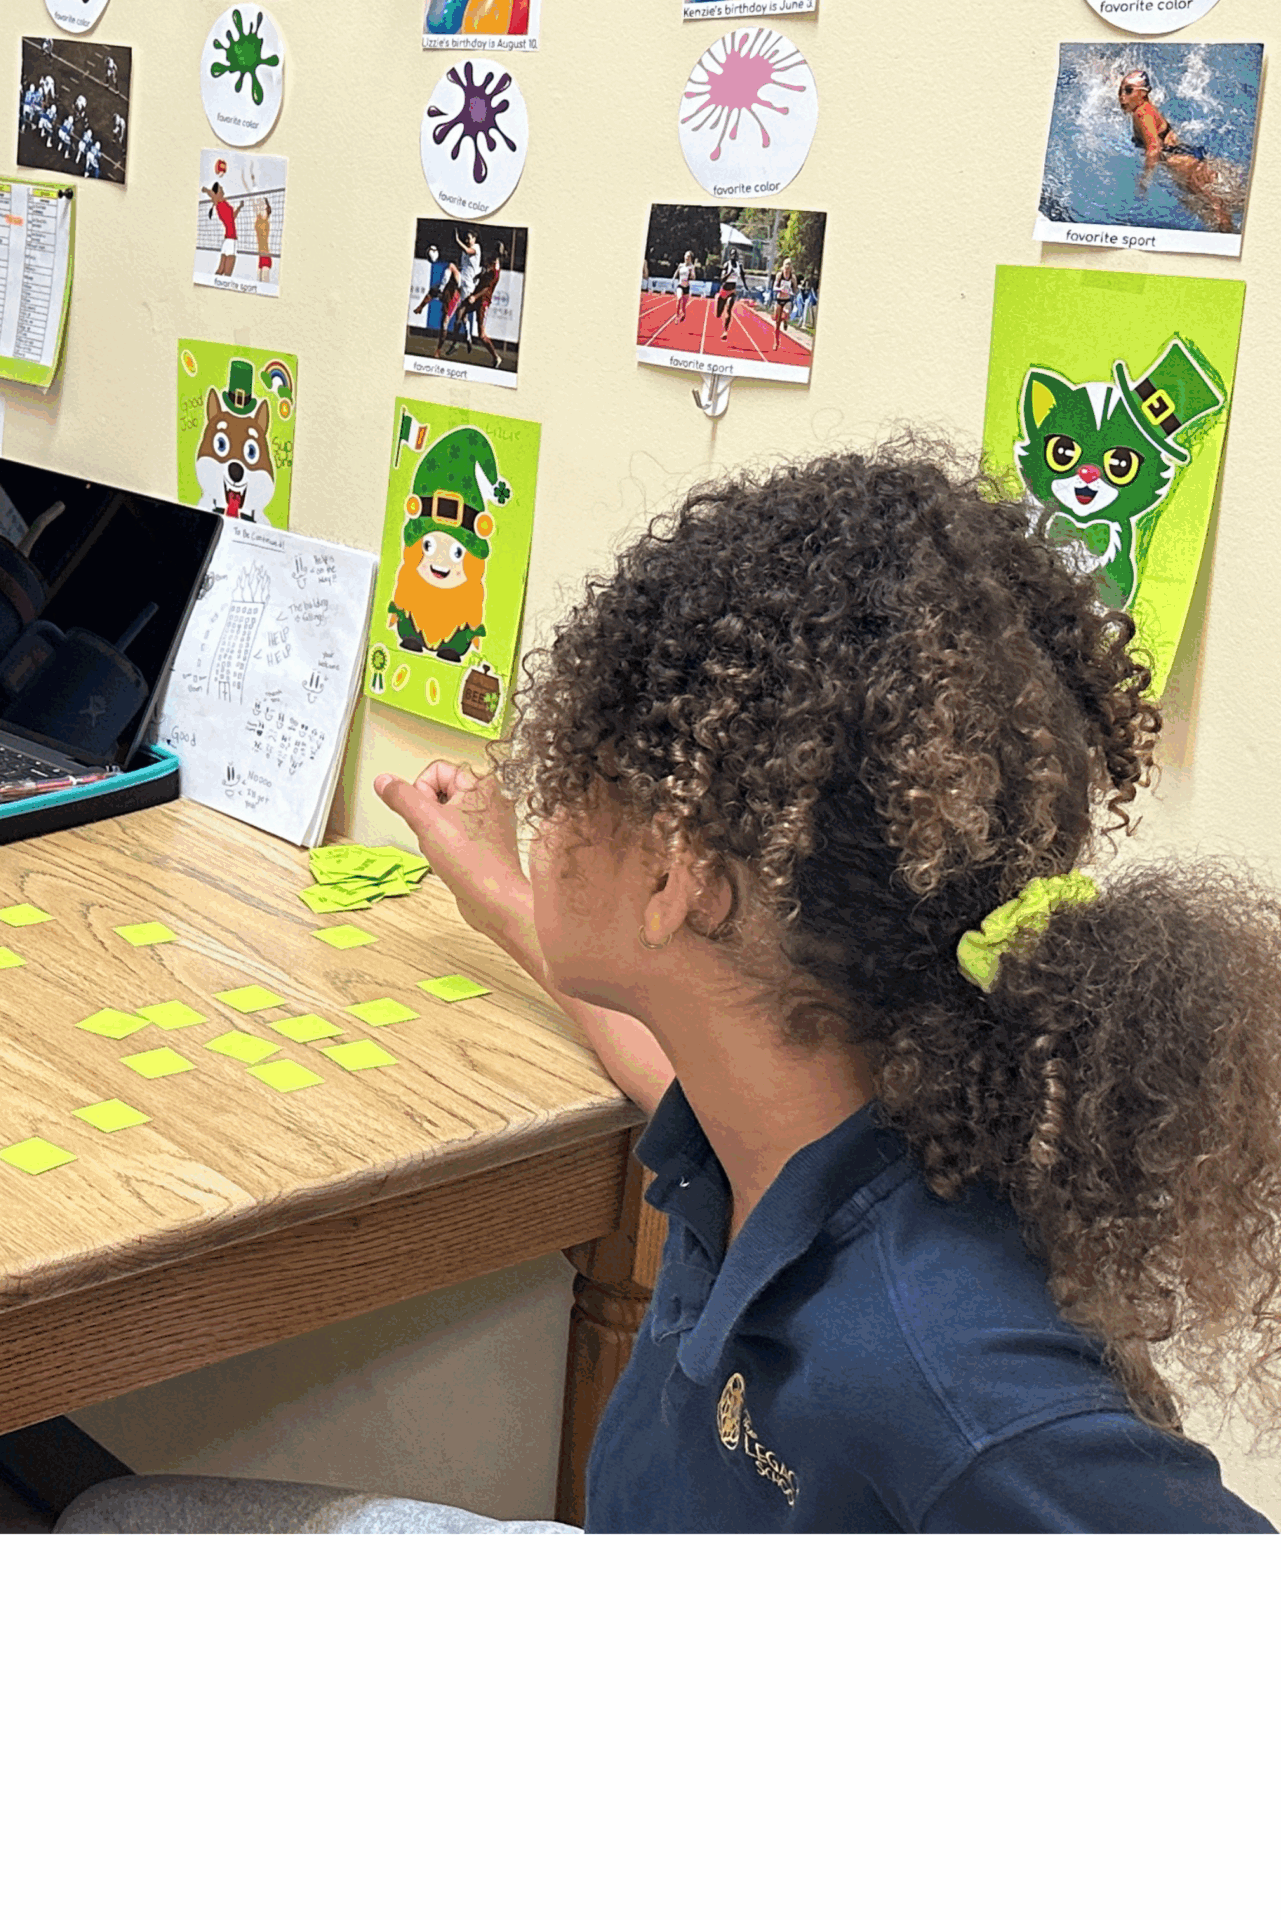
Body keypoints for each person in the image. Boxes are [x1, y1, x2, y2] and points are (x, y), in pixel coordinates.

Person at [372, 445, 1280, 1531]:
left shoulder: (952, 1388)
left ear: (674, 875)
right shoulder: (780, 1124)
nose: (538, 808)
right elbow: (662, 1061)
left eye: (571, 779)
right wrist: (493, 890)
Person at [1117, 66, 1239, 235]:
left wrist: (1144, 180)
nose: (1122, 96)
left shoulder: (1141, 113)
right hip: (1187, 157)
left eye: (1128, 90)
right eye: (1120, 90)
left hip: (1183, 166)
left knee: (1216, 213)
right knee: (1230, 199)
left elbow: (1154, 148)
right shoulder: (1145, 106)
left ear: (1143, 93)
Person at [203, 159, 239, 279]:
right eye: (221, 188)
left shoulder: (222, 204)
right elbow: (212, 194)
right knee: (227, 272)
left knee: (220, 269)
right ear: (217, 192)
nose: (223, 188)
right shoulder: (219, 202)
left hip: (227, 238)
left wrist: (239, 207)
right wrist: (206, 190)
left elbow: (232, 218)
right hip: (231, 238)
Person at [672, 247, 696, 321]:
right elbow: (677, 272)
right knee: (679, 299)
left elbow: (694, 277)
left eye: (688, 256)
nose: (686, 257)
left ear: (690, 258)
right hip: (680, 285)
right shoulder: (681, 265)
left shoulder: (691, 267)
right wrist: (673, 278)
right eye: (686, 255)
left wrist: (691, 274)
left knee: (683, 306)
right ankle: (677, 315)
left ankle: (683, 315)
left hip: (686, 286)